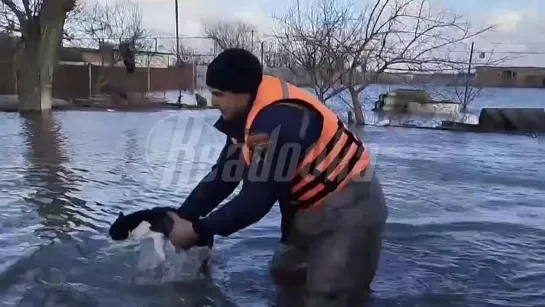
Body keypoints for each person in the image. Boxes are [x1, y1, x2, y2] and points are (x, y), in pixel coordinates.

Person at [121, 48, 388, 306]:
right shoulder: (248, 114)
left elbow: (255, 203)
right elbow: (222, 177)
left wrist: (197, 230)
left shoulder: (278, 120)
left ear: (244, 93)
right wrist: (182, 217)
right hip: (307, 210)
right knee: (286, 279)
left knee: (327, 296)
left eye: (219, 94)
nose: (213, 102)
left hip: (351, 207)